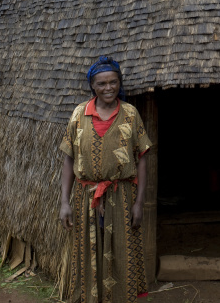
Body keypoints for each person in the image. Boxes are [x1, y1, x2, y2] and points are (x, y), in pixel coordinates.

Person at [59, 56, 152, 303]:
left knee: (122, 251)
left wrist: (139, 203)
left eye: (113, 82)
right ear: (92, 85)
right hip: (85, 197)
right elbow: (69, 159)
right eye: (101, 83)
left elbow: (142, 158)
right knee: (88, 251)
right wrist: (64, 202)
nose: (108, 88)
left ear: (119, 83)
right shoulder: (79, 114)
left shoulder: (130, 114)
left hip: (122, 196)